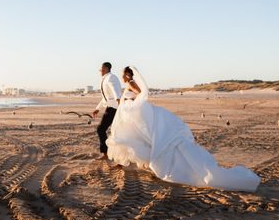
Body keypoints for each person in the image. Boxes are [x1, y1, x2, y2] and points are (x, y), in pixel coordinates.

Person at [106, 66, 260, 192]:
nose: (121, 76)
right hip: (134, 115)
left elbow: (141, 95)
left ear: (128, 74)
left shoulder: (132, 83)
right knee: (144, 138)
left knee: (147, 138)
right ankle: (142, 161)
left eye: (122, 74)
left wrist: (130, 105)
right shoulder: (129, 84)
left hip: (137, 114)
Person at [93, 62, 122, 159]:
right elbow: (106, 97)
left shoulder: (111, 77)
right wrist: (97, 108)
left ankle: (106, 153)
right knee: (116, 131)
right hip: (110, 106)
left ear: (105, 68)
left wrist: (118, 100)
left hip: (113, 107)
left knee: (100, 129)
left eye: (101, 68)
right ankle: (113, 153)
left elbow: (115, 90)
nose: (100, 71)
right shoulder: (105, 78)